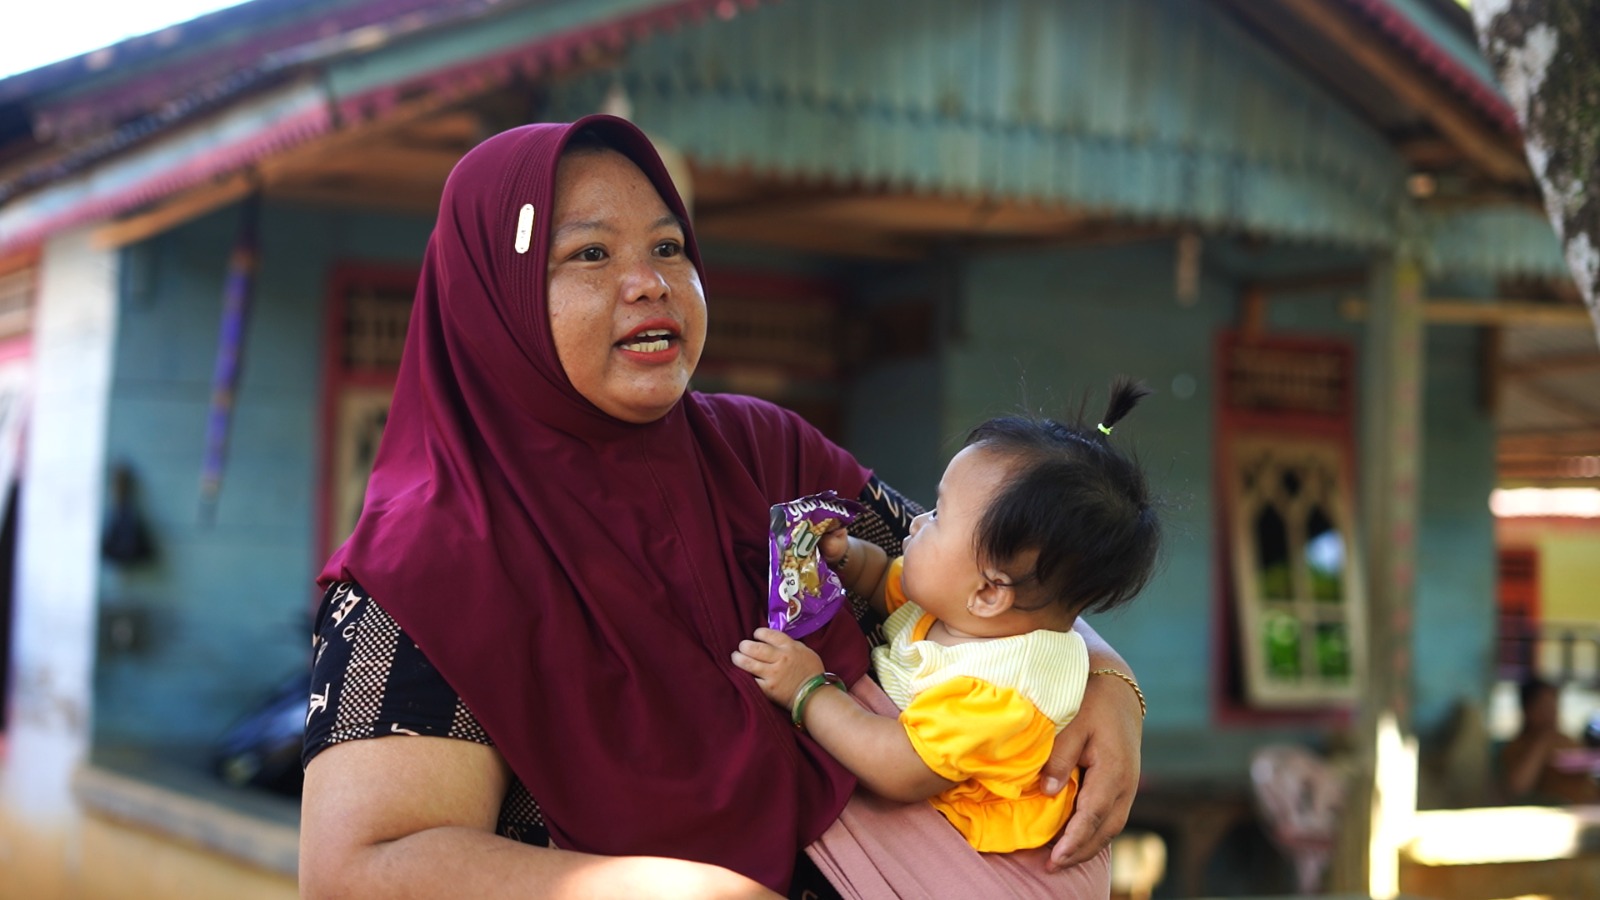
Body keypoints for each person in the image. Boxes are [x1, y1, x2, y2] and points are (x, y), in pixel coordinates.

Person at [297, 114, 1146, 900]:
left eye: (669, 248)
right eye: (590, 255)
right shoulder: (425, 561)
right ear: (497, 299)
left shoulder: (766, 452)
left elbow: (991, 566)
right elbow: (357, 868)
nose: (649, 283)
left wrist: (1109, 681)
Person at [734, 383, 1158, 855]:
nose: (915, 522)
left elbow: (895, 763)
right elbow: (881, 580)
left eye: (937, 517)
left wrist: (808, 691)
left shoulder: (995, 696)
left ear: (989, 591)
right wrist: (846, 555)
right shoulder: (963, 605)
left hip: (964, 845)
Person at [1498, 677, 1600, 804]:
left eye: (1554, 705)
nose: (1551, 713)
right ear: (1527, 710)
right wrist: (1542, 743)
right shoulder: (1517, 747)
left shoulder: (1566, 741)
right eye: (1544, 706)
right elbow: (1517, 787)